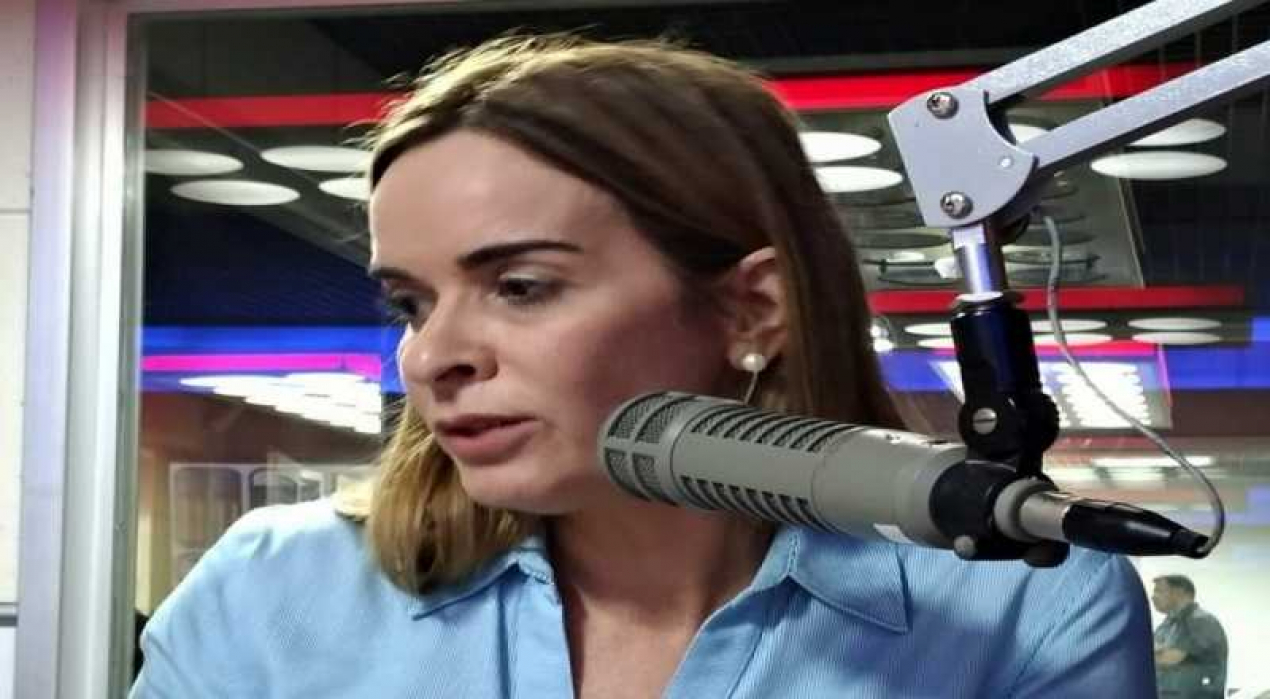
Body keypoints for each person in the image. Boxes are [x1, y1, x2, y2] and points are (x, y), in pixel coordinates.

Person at [131, 35, 1156, 698]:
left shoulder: (1023, 607)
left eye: (520, 286)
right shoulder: (270, 592)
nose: (432, 356)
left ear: (752, 308)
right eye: (411, 303)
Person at [1153, 575, 1228, 698]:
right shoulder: (1167, 624)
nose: (1153, 597)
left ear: (1179, 593)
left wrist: (1144, 652)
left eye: (1159, 591)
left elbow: (1169, 658)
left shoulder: (1200, 621)